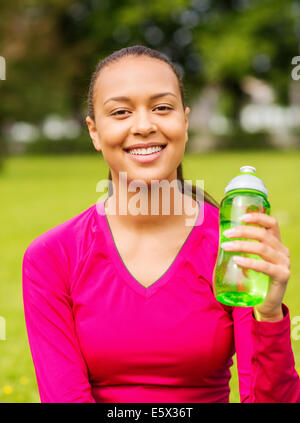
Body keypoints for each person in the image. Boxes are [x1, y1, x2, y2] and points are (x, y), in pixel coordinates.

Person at [22, 45, 300, 403]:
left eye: (162, 108)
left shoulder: (233, 245)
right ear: (94, 131)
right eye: (121, 112)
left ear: (184, 121)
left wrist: (269, 314)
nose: (144, 125)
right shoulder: (52, 257)